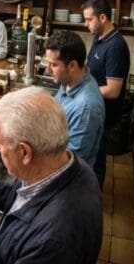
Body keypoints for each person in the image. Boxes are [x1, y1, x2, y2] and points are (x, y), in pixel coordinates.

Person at [0, 87, 102, 264]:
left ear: (24, 152)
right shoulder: (65, 163)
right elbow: (21, 198)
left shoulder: (53, 242)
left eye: (0, 143)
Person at [45, 30, 105, 183]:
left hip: (68, 182)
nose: (48, 70)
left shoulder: (86, 107)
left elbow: (70, 163)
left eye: (53, 65)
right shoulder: (70, 81)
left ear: (72, 65)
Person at [82, 0, 130, 185]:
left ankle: (94, 199)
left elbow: (113, 90)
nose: (86, 24)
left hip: (104, 116)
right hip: (94, 109)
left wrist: (84, 91)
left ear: (102, 18)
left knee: (96, 163)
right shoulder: (99, 37)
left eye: (89, 19)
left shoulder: (116, 46)